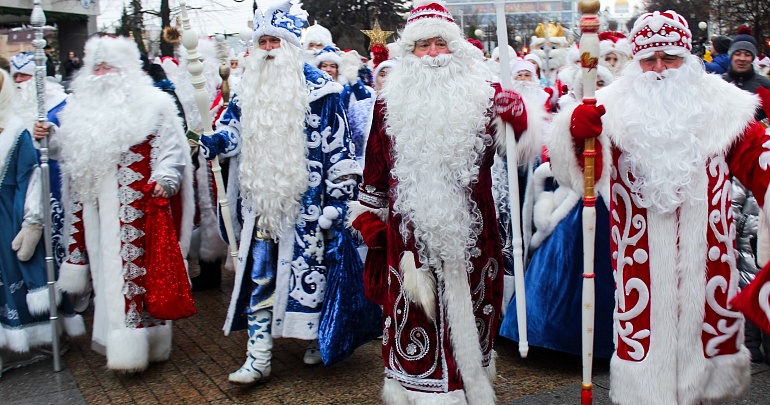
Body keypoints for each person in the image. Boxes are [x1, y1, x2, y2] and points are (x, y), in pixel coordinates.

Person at [550, 10, 770, 404]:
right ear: (635, 63)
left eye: (670, 58)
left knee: (711, 363)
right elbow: (579, 177)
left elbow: (760, 160)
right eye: (649, 59)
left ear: (688, 59)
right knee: (644, 347)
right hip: (639, 265)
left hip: (710, 265)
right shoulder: (608, 108)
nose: (659, 69)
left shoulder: (724, 107)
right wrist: (575, 136)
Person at [348, 0, 529, 402]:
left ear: (456, 48)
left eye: (440, 44)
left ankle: (469, 385)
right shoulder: (388, 102)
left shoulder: (486, 96)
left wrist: (517, 118)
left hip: (474, 233)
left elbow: (518, 151)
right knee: (416, 316)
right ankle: (423, 392)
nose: (432, 54)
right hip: (407, 237)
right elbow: (375, 168)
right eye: (422, 45)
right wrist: (369, 222)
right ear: (409, 52)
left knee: (475, 309)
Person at [200, 0, 377, 385]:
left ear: (291, 46)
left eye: (274, 41)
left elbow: (340, 150)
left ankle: (317, 337)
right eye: (262, 42)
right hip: (263, 203)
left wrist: (339, 203)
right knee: (260, 276)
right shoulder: (246, 89)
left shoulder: (323, 91)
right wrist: (218, 141)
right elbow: (233, 130)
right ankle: (258, 356)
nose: (267, 49)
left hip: (311, 206)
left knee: (317, 275)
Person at [34, 36, 194, 372]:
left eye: (108, 67)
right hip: (97, 211)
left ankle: (145, 345)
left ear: (126, 69)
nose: (101, 74)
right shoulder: (79, 109)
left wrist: (165, 178)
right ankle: (117, 341)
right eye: (96, 68)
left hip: (141, 210)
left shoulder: (155, 104)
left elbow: (172, 150)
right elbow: (68, 153)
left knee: (140, 279)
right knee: (108, 278)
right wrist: (49, 136)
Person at [0, 67, 85, 373]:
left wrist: (33, 223)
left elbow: (31, 181)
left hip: (9, 218)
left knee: (16, 272)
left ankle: (32, 341)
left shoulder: (16, 133)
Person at [722, 28, 770, 121]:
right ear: (731, 56)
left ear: (752, 58)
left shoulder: (765, 85)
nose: (742, 58)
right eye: (737, 54)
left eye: (747, 54)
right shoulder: (719, 83)